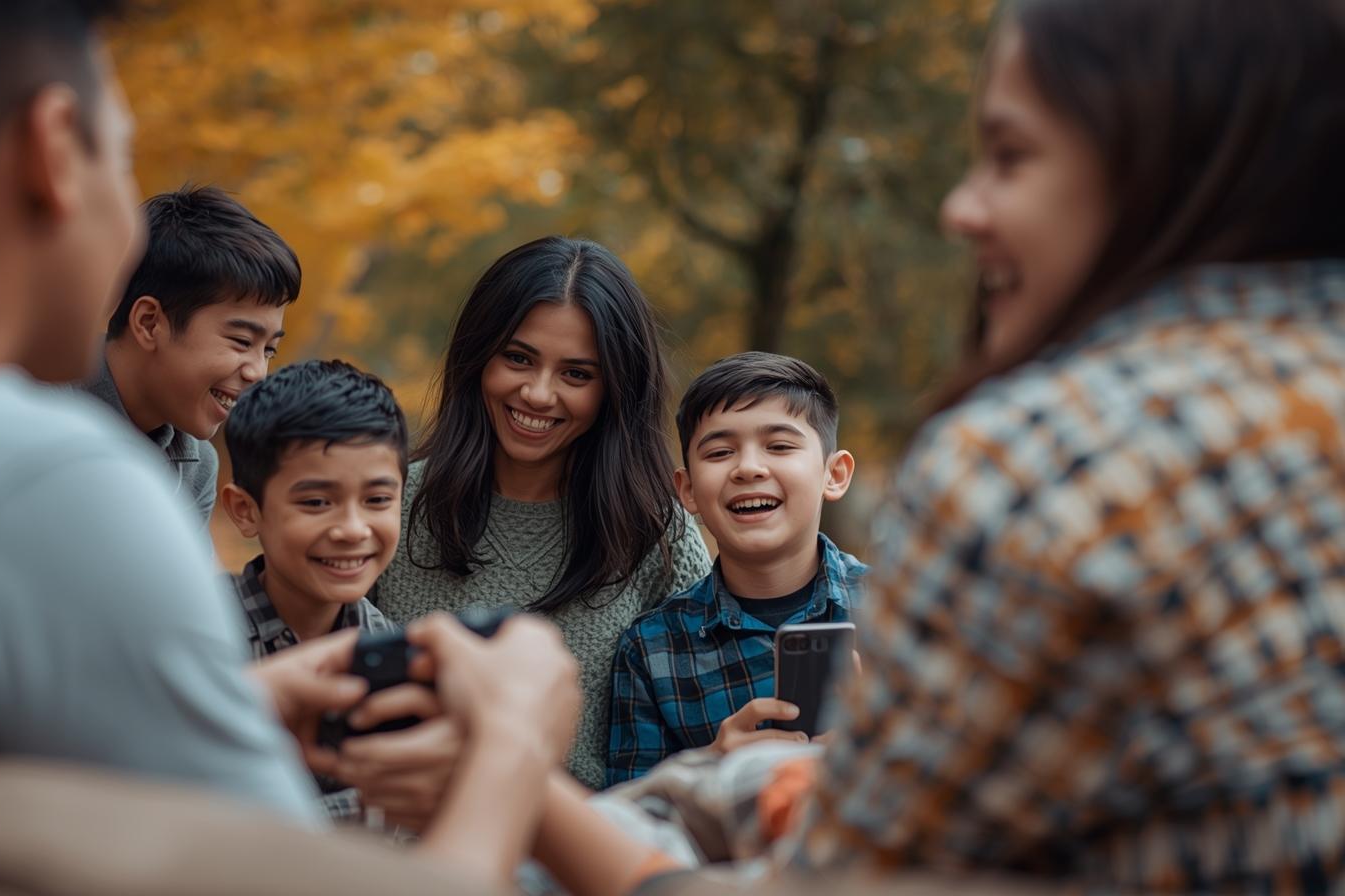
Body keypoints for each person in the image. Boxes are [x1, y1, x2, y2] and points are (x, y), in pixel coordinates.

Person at [0, 3, 591, 889]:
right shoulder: (48, 481)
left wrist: (244, 706)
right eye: (122, 149)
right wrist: (516, 737)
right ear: (55, 146)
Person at [530, 0, 1345, 890]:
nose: (962, 208)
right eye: (722, 452)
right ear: (687, 485)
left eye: (1010, 155)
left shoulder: (1035, 465)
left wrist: (510, 772)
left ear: (1156, 161)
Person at [371, 235, 712, 789]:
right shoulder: (390, 505)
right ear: (478, 355)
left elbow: (689, 727)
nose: (537, 393)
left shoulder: (658, 533)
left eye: (576, 374)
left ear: (614, 390)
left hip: (578, 855)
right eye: (518, 358)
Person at [606, 352, 865, 785]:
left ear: (833, 474)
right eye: (721, 452)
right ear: (687, 491)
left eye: (779, 446)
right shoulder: (652, 652)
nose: (748, 468)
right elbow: (630, 824)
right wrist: (709, 766)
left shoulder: (901, 613)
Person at [221, 358, 456, 829]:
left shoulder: (396, 659)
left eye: (377, 500)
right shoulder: (200, 635)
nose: (352, 529)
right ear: (246, 511)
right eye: (316, 502)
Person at [82, 185, 299, 524]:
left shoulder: (196, 467)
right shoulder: (30, 403)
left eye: (269, 350)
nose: (258, 372)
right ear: (150, 323)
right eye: (242, 341)